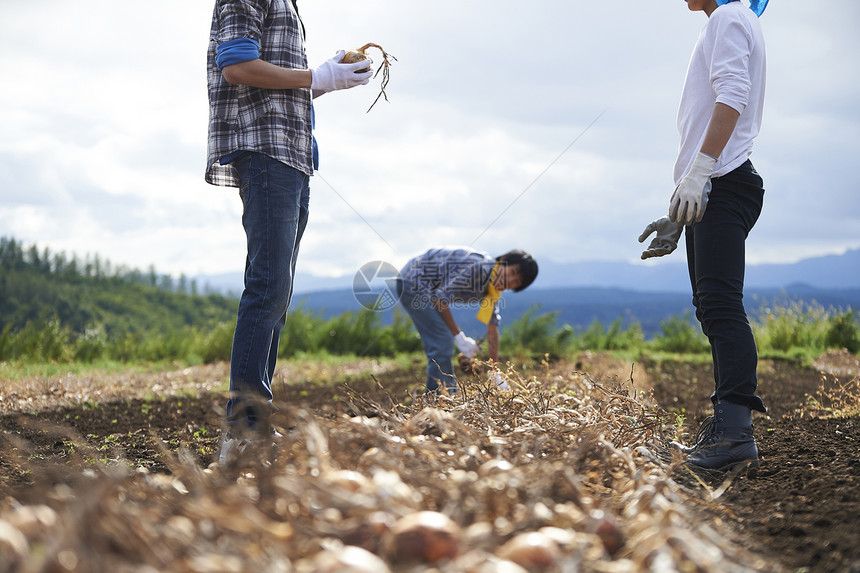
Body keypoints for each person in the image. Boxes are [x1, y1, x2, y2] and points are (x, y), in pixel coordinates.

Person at [205, 0, 374, 463]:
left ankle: (253, 426)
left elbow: (276, 89)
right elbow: (237, 66)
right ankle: (244, 431)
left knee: (275, 295)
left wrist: (325, 80)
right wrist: (315, 76)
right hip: (267, 153)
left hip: (293, 156)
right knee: (267, 288)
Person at [638, 0, 768, 472]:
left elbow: (732, 94)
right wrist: (683, 205)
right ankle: (727, 428)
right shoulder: (726, 21)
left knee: (720, 304)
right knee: (709, 306)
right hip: (718, 184)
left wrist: (701, 173)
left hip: (726, 181)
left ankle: (735, 434)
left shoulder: (729, 17)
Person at [397, 247, 539, 394]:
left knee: (443, 339)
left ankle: (442, 397)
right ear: (503, 261)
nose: (509, 281)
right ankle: (440, 398)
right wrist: (459, 337)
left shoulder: (492, 289)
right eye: (512, 273)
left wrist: (494, 372)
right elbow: (440, 300)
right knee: (442, 341)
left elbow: (492, 327)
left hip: (426, 288)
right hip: (413, 280)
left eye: (516, 282)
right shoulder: (479, 269)